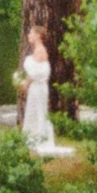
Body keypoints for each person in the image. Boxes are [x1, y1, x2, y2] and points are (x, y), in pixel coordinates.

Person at [19, 24, 64, 155]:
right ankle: (31, 139)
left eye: (31, 33)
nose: (29, 35)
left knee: (39, 112)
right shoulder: (35, 50)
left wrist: (26, 82)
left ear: (38, 35)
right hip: (35, 88)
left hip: (38, 88)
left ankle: (40, 139)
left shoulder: (40, 51)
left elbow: (36, 72)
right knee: (32, 111)